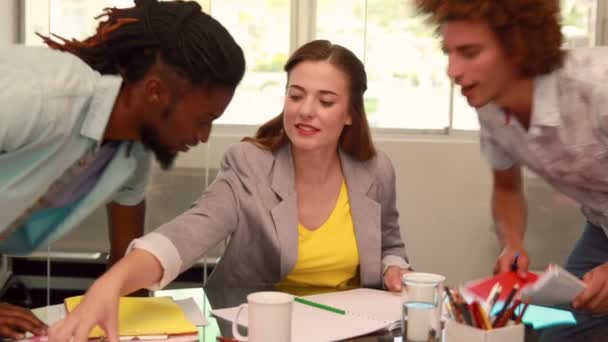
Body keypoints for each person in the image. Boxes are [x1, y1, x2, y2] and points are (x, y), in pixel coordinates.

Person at [47, 39, 411, 341]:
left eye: (326, 101)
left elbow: (390, 243)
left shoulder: (375, 171)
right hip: (253, 332)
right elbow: (190, 230)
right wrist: (113, 282)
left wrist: (394, 267)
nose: (306, 111)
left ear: (351, 112)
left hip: (350, 331)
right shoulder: (249, 163)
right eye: (295, 95)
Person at [0, 0, 245, 339]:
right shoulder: (39, 99)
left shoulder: (131, 154)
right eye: (203, 120)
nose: (203, 137)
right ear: (156, 92)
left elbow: (125, 266)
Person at [415, 0, 608, 339]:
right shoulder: (491, 107)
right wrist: (512, 243)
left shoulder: (598, 87)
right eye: (449, 52)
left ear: (518, 48)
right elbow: (507, 188)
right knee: (554, 327)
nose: (452, 70)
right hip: (601, 226)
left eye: (469, 53)